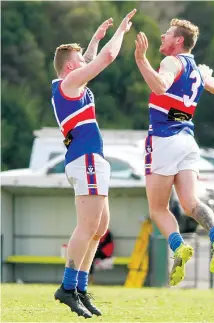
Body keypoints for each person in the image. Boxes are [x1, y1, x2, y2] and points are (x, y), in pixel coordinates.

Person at [51, 9, 136, 319]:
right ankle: (67, 287)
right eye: (80, 60)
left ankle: (81, 288)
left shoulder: (70, 81)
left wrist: (94, 39)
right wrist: (120, 33)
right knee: (87, 226)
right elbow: (106, 58)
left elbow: (87, 58)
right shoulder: (70, 83)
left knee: (99, 229)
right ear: (72, 67)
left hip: (91, 159)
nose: (85, 61)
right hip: (85, 158)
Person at [134, 18, 214, 286]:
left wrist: (141, 60)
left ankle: (178, 247)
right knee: (190, 204)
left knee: (158, 208)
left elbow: (161, 86)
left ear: (178, 41)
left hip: (164, 138)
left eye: (166, 35)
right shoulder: (195, 69)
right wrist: (205, 76)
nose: (162, 38)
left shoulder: (172, 62)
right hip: (187, 141)